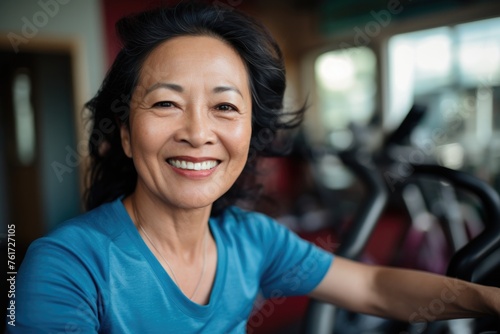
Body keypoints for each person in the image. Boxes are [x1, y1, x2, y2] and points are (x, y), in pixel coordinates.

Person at [7, 2, 499, 333]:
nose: (198, 132)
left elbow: (372, 286)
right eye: (165, 104)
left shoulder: (250, 239)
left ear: (249, 134)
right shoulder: (67, 266)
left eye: (224, 107)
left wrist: (486, 300)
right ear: (126, 135)